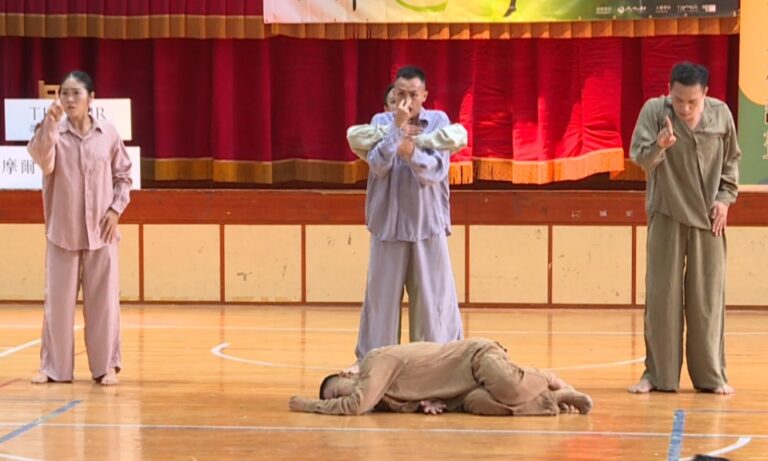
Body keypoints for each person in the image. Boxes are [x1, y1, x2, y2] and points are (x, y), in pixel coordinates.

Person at [628, 62, 740, 394]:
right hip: (667, 212)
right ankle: (657, 376)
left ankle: (712, 377)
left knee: (707, 301)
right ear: (669, 91)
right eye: (678, 100)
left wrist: (725, 199)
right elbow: (639, 158)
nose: (685, 108)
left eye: (692, 101)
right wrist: (660, 145)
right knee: (662, 298)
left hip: (709, 219)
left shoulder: (721, 115)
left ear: (705, 94)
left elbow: (732, 161)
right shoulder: (654, 111)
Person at [349, 66, 464, 373]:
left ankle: (434, 369)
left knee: (433, 303)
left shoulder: (438, 123)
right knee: (380, 303)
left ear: (424, 95)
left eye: (413, 94)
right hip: (388, 226)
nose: (406, 101)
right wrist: (395, 131)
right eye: (400, 94)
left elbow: (434, 171)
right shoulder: (380, 123)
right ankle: (375, 368)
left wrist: (411, 151)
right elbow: (378, 165)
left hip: (427, 226)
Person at [26, 70, 132, 386]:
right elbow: (41, 159)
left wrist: (115, 210)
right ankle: (54, 368)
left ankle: (105, 367)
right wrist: (49, 125)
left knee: (104, 306)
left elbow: (124, 176)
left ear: (91, 98)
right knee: (57, 306)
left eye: (76, 93)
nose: (69, 99)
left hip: (102, 233)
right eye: (65, 93)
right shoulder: (53, 132)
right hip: (63, 232)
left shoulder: (108, 133)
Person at [289, 338, 593, 416]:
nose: (340, 397)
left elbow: (355, 405)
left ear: (346, 374)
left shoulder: (375, 360)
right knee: (485, 405)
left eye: (336, 391)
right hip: (461, 393)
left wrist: (306, 404)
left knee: (509, 388)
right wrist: (424, 402)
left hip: (475, 359)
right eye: (333, 399)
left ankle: (546, 377)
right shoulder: (386, 399)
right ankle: (554, 400)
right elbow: (418, 393)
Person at [346, 83, 468, 161]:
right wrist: (395, 129)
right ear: (386, 109)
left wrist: (419, 140)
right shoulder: (380, 120)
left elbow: (461, 136)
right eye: (394, 102)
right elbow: (353, 136)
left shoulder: (436, 119)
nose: (401, 106)